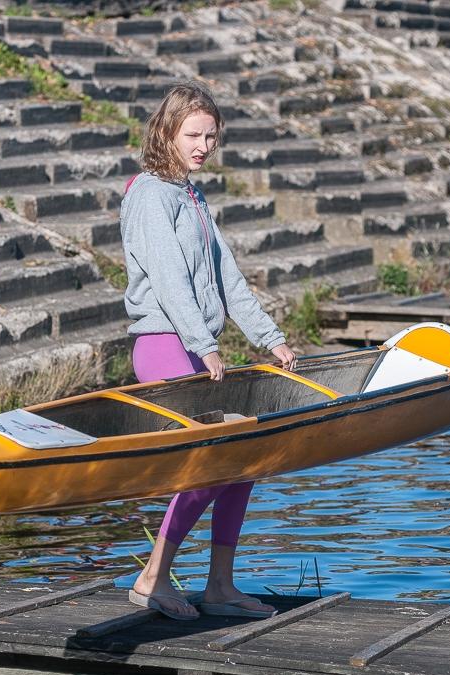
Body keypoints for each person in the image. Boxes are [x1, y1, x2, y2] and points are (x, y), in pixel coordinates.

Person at [119, 81, 298, 621]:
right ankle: (153, 578)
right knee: (212, 462)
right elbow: (169, 278)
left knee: (243, 459)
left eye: (211, 136)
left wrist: (270, 338)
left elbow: (227, 279)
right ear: (166, 131)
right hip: (164, 345)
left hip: (196, 343)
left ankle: (220, 584)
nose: (202, 145)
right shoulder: (150, 194)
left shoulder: (192, 195)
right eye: (192, 134)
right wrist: (202, 343)